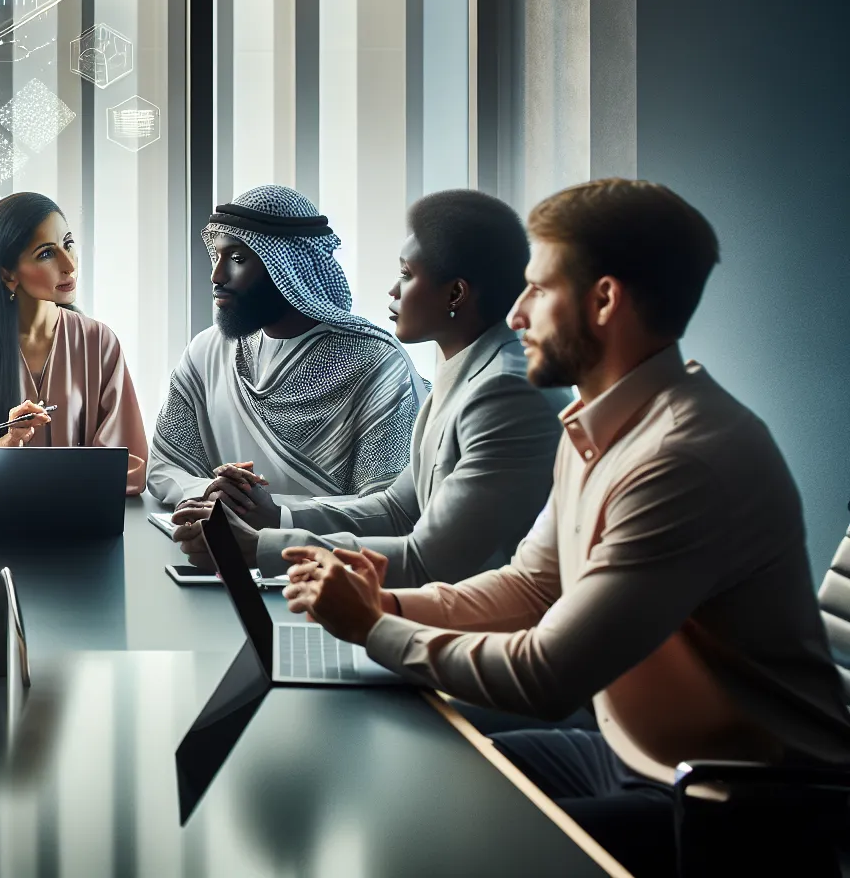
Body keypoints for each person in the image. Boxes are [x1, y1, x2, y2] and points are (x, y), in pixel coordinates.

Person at [277, 179, 850, 877]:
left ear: (604, 301)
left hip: (736, 806)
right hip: (625, 755)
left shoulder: (680, 459)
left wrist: (373, 628)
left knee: (445, 849)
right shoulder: (598, 426)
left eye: (537, 290)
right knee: (411, 778)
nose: (515, 314)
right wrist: (388, 603)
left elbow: (545, 674)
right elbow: (529, 585)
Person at [169, 190, 560, 586]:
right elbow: (396, 510)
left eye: (407, 274)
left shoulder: (506, 392)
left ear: (455, 294)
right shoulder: (465, 368)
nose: (392, 290)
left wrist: (259, 547)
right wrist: (273, 520)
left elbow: (430, 559)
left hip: (478, 630)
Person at [148, 184, 424, 505]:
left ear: (291, 266)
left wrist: (268, 511)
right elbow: (164, 467)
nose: (216, 275)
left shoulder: (376, 361)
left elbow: (390, 506)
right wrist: (210, 492)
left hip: (329, 554)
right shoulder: (206, 351)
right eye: (218, 256)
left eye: (237, 258)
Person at [0, 192, 149, 496]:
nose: (69, 265)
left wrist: (11, 470)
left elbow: (130, 468)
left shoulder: (99, 342)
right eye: (46, 254)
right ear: (7, 273)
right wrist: (9, 442)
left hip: (80, 533)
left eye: (68, 244)